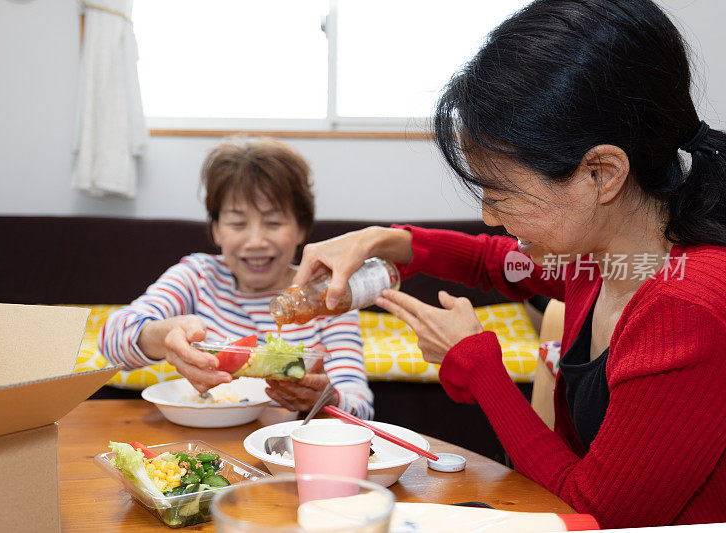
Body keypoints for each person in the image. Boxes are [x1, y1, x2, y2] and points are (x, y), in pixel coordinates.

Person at [292, 0, 726, 527]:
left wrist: (480, 369)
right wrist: (390, 240)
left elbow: (599, 512)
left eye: (500, 193)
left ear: (602, 174)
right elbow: (494, 263)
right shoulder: (609, 258)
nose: (488, 217)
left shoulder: (686, 307)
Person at [99, 137, 373, 419]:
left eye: (274, 222)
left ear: (301, 228)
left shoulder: (330, 295)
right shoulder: (198, 277)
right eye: (238, 223)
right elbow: (110, 340)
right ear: (216, 229)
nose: (255, 241)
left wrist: (328, 399)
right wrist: (164, 335)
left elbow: (361, 407)